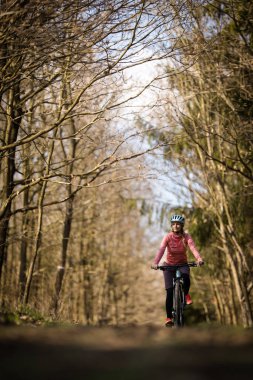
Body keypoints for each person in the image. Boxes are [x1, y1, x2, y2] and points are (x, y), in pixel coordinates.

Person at [151, 214, 204, 327]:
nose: (176, 226)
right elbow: (161, 250)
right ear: (171, 226)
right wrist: (156, 262)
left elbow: (193, 248)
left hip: (182, 264)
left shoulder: (186, 237)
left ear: (182, 226)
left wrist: (199, 259)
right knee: (169, 292)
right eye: (174, 224)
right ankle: (169, 317)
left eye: (178, 224)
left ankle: (185, 294)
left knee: (186, 279)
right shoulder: (168, 237)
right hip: (169, 266)